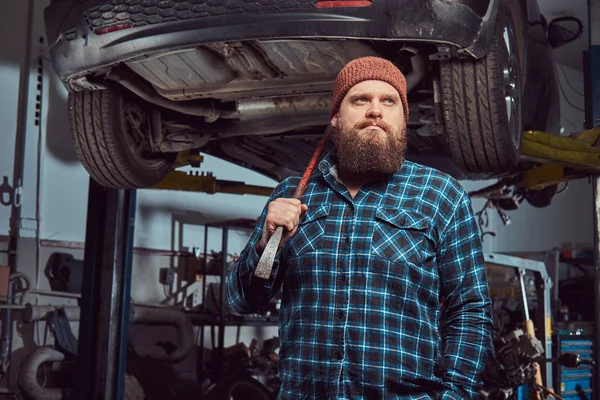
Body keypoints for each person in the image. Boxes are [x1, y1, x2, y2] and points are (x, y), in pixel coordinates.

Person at [227, 56, 494, 399]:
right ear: (336, 118)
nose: (375, 110)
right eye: (360, 100)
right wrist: (266, 244)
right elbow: (241, 300)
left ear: (402, 119)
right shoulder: (293, 195)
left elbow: (470, 311)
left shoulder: (441, 195)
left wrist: (456, 394)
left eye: (389, 101)